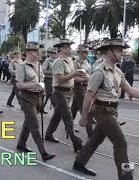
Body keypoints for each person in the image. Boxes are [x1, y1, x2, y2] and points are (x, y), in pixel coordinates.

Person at [74, 38, 139, 180]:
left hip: (112, 111)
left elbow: (130, 90)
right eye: (119, 51)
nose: (122, 53)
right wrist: (84, 117)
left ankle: (79, 162)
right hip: (103, 111)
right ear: (109, 52)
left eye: (122, 50)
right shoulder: (99, 72)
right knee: (121, 142)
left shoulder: (117, 72)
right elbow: (88, 96)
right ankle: (126, 177)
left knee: (96, 139)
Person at [15, 42, 55, 162]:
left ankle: (21, 144)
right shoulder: (22, 66)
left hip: (38, 97)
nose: (37, 54)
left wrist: (41, 88)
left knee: (29, 122)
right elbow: (19, 85)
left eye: (38, 51)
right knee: (35, 125)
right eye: (34, 51)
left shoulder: (38, 65)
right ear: (27, 52)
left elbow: (41, 80)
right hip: (27, 98)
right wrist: (34, 85)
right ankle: (43, 153)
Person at [45, 39, 84, 153]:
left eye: (70, 46)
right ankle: (76, 142)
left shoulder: (69, 60)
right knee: (68, 117)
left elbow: (71, 77)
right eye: (67, 46)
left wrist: (82, 79)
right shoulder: (59, 62)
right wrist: (75, 73)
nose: (70, 48)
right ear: (61, 48)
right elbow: (59, 79)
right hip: (59, 92)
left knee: (57, 115)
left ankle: (48, 134)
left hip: (68, 93)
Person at [71, 45, 93, 137]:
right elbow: (72, 77)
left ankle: (69, 125)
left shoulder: (87, 62)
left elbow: (90, 74)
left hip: (86, 87)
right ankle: (91, 134)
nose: (86, 54)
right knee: (85, 110)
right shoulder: (75, 63)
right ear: (79, 53)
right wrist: (84, 79)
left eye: (87, 52)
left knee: (74, 109)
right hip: (79, 88)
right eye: (84, 52)